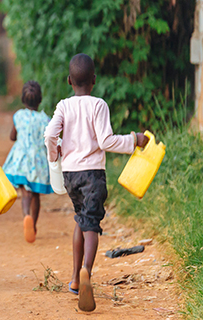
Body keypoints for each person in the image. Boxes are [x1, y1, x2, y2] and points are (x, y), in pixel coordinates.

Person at [44, 53, 149, 312]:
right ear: (94, 80)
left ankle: (74, 279)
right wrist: (134, 139)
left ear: (69, 80)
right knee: (91, 224)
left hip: (70, 176)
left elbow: (49, 134)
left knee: (81, 219)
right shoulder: (99, 105)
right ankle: (86, 273)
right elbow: (106, 141)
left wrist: (54, 154)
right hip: (93, 175)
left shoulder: (63, 106)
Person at [3, 81, 52, 244]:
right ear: (40, 100)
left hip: (21, 160)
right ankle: (34, 225)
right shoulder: (45, 119)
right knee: (35, 194)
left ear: (23, 99)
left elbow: (12, 136)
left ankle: (26, 216)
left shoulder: (19, 116)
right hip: (38, 162)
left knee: (25, 193)